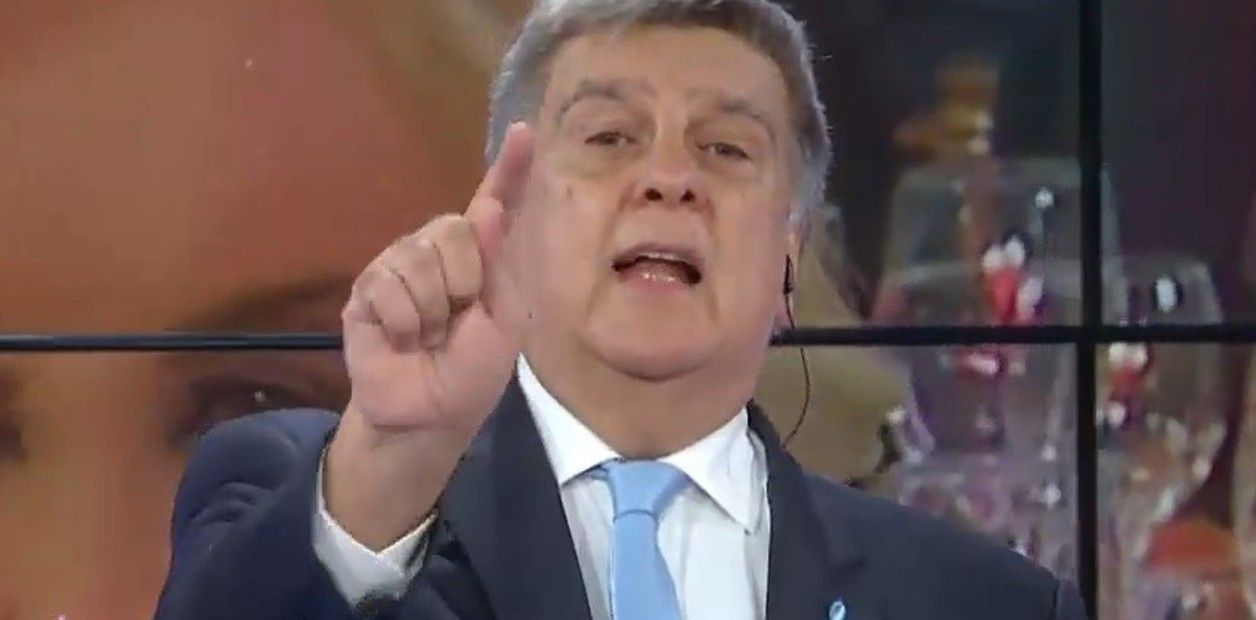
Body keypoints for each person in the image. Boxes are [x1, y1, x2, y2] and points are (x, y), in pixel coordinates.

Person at [155, 1, 1088, 618]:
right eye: (609, 137)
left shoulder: (985, 603)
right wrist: (394, 462)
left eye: (726, 149)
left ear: (788, 253)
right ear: (510, 220)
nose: (670, 178)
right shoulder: (324, 497)